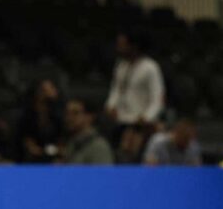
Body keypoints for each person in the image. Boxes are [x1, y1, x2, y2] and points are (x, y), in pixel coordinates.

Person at [104, 29, 165, 163]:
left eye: (122, 44)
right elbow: (116, 90)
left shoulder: (150, 67)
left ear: (134, 46)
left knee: (135, 159)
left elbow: (157, 98)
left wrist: (147, 117)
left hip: (139, 124)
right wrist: (111, 105)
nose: (119, 48)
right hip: (121, 121)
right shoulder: (121, 66)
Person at [17, 79, 64, 163]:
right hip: (30, 158)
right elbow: (27, 141)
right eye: (47, 89)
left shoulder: (58, 114)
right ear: (38, 92)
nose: (54, 91)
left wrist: (54, 150)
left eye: (53, 88)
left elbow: (61, 141)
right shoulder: (27, 115)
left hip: (53, 155)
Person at [61, 98, 114, 165]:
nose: (69, 117)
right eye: (67, 113)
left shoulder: (99, 146)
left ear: (90, 116)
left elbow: (104, 175)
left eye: (75, 113)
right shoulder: (72, 143)